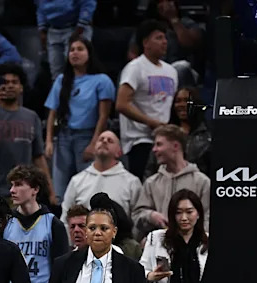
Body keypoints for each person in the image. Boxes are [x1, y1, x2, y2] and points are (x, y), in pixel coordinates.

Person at [0, 63, 55, 202]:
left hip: (21, 191)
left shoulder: (32, 117)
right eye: (5, 82)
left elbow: (38, 157)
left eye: (14, 82)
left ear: (21, 88)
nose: (9, 86)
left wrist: (51, 191)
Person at [44, 36, 114, 203]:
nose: (75, 53)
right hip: (63, 137)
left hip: (87, 136)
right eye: (72, 50)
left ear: (89, 54)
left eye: (80, 49)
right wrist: (49, 141)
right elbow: (53, 113)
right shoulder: (62, 80)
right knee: (60, 189)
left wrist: (94, 142)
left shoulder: (101, 80)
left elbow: (104, 116)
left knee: (87, 189)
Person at [140, 189, 208, 283]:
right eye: (178, 212)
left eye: (189, 212)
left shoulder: (208, 242)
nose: (184, 218)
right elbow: (141, 272)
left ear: (198, 214)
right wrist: (151, 277)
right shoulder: (156, 238)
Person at [116, 20, 178, 178]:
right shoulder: (135, 68)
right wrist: (150, 122)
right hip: (139, 139)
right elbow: (122, 104)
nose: (164, 42)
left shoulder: (171, 71)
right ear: (145, 43)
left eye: (165, 38)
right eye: (158, 38)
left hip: (164, 137)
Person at [131, 124, 210, 240]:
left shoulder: (202, 182)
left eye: (159, 144)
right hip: (159, 246)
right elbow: (137, 215)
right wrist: (151, 215)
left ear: (175, 146)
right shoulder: (151, 183)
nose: (154, 150)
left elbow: (208, 218)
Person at [4, 165, 69, 283]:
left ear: (35, 189)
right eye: (11, 185)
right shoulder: (6, 222)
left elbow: (61, 269)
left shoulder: (53, 224)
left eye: (18, 185)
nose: (12, 190)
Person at [62, 130, 141, 222]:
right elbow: (65, 217)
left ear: (119, 152)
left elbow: (137, 218)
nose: (104, 141)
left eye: (110, 140)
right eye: (101, 139)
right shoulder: (77, 180)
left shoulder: (132, 182)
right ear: (94, 148)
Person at [38, 0, 95, 79]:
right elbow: (40, 7)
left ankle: (82, 88)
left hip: (76, 27)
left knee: (77, 66)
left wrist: (80, 27)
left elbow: (88, 3)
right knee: (56, 70)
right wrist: (42, 29)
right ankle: (60, 90)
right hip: (53, 30)